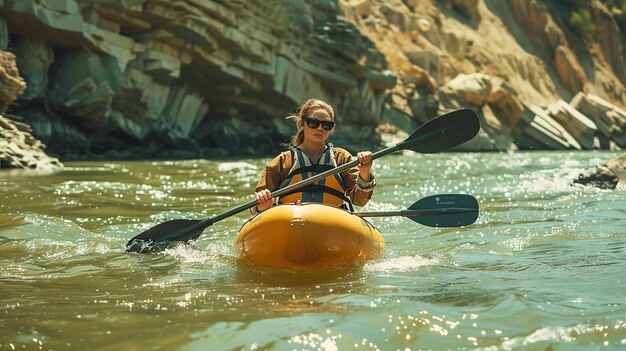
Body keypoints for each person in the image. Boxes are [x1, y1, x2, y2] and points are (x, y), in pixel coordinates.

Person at [251, 98, 376, 214]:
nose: (320, 128)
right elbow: (255, 208)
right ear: (302, 124)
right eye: (313, 123)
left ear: (331, 129)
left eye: (326, 125)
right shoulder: (284, 161)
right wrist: (262, 204)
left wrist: (364, 172)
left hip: (333, 220)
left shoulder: (341, 158)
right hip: (291, 220)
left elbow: (360, 201)